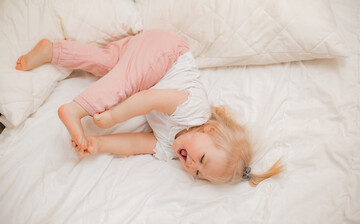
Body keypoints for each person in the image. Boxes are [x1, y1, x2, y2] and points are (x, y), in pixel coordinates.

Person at [16, 30, 283, 185]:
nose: (190, 166)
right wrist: (112, 117)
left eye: (199, 174)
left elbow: (135, 145)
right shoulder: (193, 109)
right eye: (201, 159)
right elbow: (147, 99)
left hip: (144, 57)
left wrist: (99, 144)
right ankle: (76, 109)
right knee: (124, 83)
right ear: (211, 131)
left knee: (108, 64)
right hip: (167, 51)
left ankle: (52, 51)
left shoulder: (170, 148)